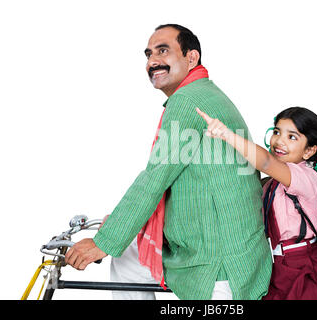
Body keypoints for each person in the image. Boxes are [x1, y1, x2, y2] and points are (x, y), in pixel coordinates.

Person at [64, 24, 272, 300]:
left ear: (191, 58)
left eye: (163, 51)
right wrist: (121, 227)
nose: (153, 61)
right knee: (127, 259)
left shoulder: (189, 101)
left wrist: (105, 241)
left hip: (218, 266)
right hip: (222, 250)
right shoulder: (204, 93)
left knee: (120, 250)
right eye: (149, 54)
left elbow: (155, 178)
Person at [197, 106, 317, 300]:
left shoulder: (306, 177)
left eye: (292, 137)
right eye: (276, 132)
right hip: (278, 266)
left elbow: (265, 162)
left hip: (304, 266)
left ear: (309, 151)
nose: (279, 141)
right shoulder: (271, 185)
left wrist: (226, 134)